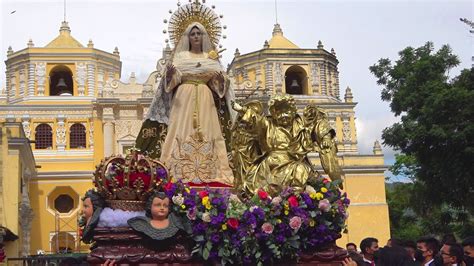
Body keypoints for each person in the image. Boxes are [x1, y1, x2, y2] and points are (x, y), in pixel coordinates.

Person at [140, 21, 234, 186]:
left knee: (209, 130)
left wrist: (220, 78)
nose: (196, 37)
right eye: (192, 34)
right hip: (183, 98)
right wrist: (170, 74)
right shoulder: (181, 57)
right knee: (179, 129)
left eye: (199, 34)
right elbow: (171, 83)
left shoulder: (210, 58)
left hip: (205, 98)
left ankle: (210, 170)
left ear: (204, 36)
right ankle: (177, 169)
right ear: (188, 37)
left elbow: (218, 87)